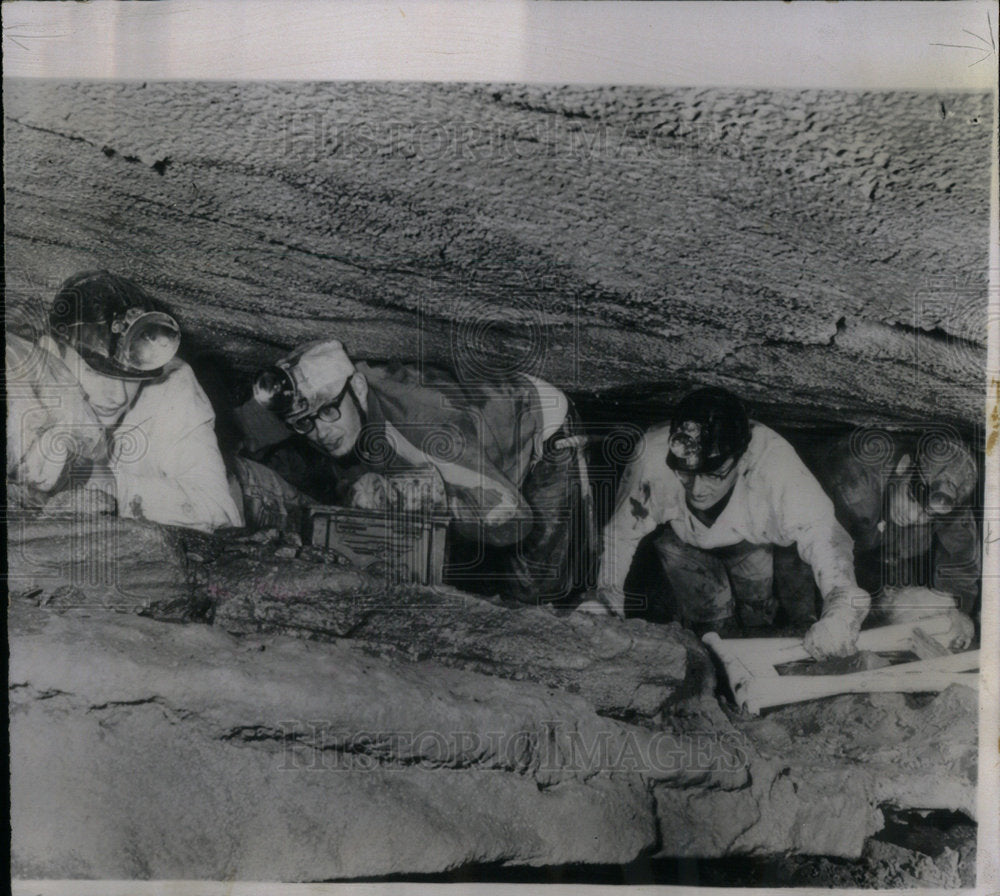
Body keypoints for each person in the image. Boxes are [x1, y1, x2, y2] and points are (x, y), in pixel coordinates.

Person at [249, 339, 596, 604]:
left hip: (541, 425)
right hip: (462, 440)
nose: (320, 432)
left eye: (327, 413)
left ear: (356, 387)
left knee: (539, 585)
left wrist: (413, 498)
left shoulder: (430, 424)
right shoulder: (338, 416)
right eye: (304, 423)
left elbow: (511, 521)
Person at [580, 387, 870, 660]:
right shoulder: (653, 457)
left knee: (758, 616)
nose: (697, 489)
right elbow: (619, 535)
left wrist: (841, 607)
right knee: (712, 629)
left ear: (740, 458)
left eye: (715, 475)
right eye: (686, 475)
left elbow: (823, 535)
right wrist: (605, 597)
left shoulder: (773, 465)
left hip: (751, 541)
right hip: (682, 540)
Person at [6, 270, 243, 533]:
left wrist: (103, 484)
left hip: (248, 482)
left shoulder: (171, 381)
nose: (118, 395)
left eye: (133, 377)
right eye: (95, 372)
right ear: (53, 352)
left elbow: (220, 511)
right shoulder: (27, 375)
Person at [809, 432, 980, 617]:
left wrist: (954, 610)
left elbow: (961, 560)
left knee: (906, 608)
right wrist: (804, 617)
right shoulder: (853, 484)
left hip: (885, 550)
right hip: (826, 547)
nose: (914, 516)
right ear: (903, 466)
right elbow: (804, 542)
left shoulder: (950, 502)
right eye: (911, 498)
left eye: (927, 515)